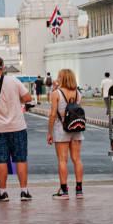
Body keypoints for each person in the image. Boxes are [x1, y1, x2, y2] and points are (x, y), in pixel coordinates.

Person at [0, 57, 33, 202]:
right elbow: (28, 97)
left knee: (1, 161)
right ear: (2, 68)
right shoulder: (13, 81)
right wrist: (18, 100)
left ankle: (3, 192)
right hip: (18, 127)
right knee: (20, 160)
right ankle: (24, 191)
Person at [47, 69, 84, 199]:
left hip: (61, 127)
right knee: (77, 159)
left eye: (58, 76)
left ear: (62, 78)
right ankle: (79, 190)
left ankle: (64, 191)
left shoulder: (56, 93)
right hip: (76, 128)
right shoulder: (78, 93)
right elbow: (79, 110)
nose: (57, 78)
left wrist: (49, 132)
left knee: (63, 160)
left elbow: (52, 115)